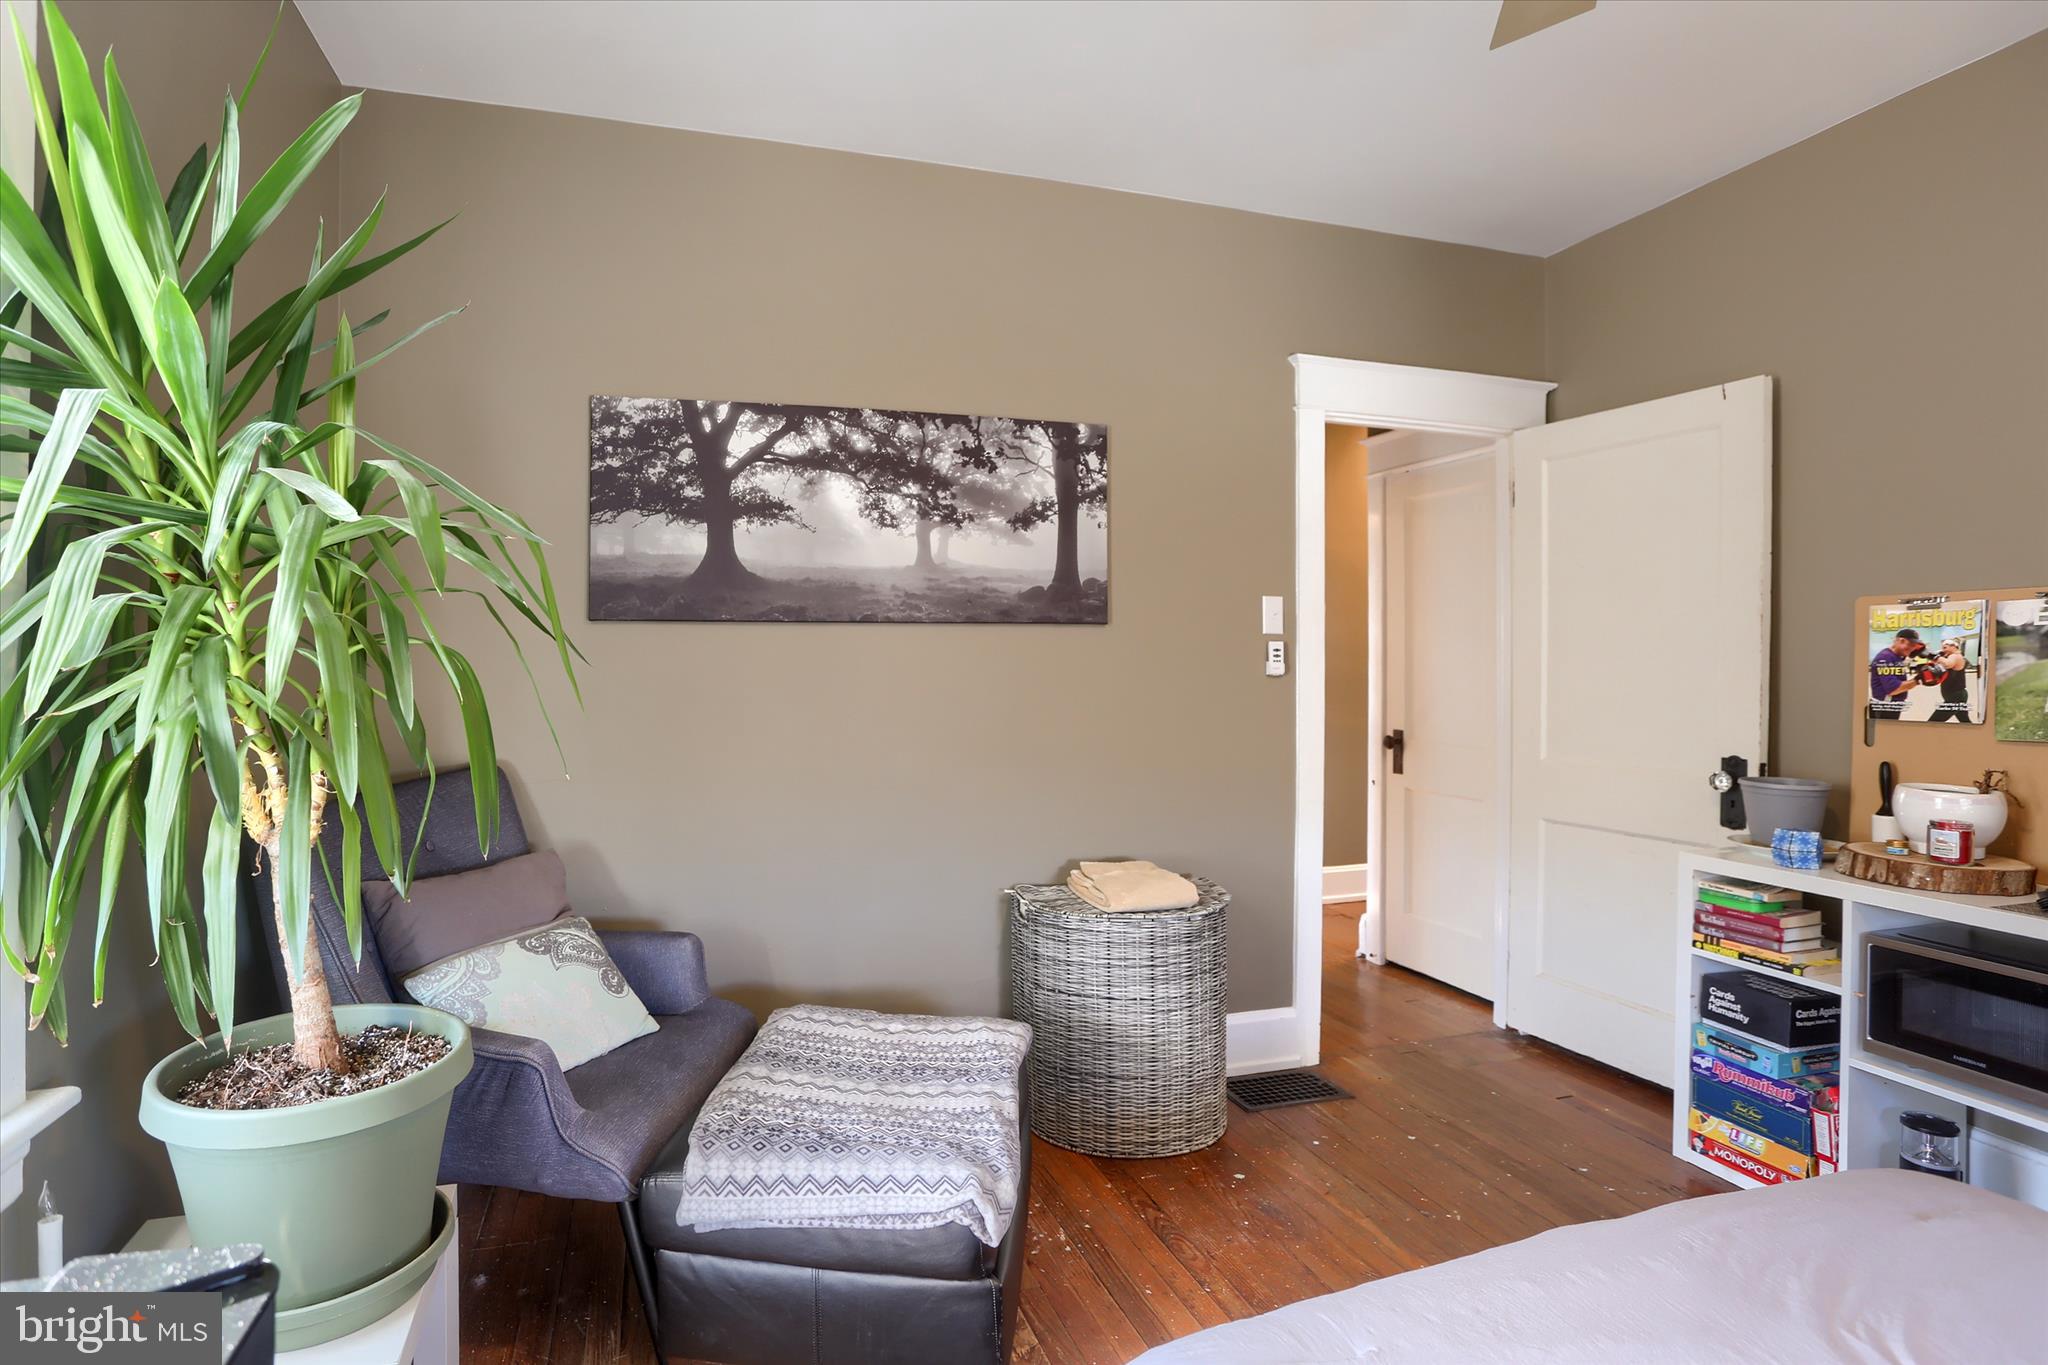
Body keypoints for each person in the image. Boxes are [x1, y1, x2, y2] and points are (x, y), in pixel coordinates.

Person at [1869, 629, 1924, 719]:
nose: (1913, 649)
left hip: (1889, 707)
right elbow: (1893, 689)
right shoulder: (1885, 658)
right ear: (1901, 641)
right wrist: (1918, 680)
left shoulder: (1896, 657)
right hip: (1884, 708)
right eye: (1911, 645)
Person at [1926, 638, 1974, 722]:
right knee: (1965, 721)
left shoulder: (1956, 656)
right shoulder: (1948, 656)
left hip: (1955, 697)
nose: (1943, 650)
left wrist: (1934, 656)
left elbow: (1948, 664)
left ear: (1954, 646)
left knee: (1933, 722)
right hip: (1956, 696)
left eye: (1945, 647)